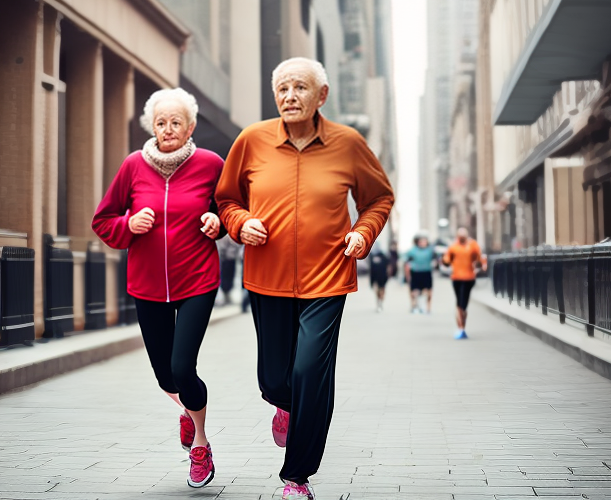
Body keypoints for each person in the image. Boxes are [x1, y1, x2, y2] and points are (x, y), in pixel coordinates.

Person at [215, 57, 394, 500]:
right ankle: (286, 406)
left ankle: (297, 478)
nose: (290, 97)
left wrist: (362, 232)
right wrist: (239, 223)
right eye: (282, 89)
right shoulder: (252, 141)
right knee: (275, 379)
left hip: (328, 278)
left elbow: (379, 198)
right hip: (266, 276)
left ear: (321, 96)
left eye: (299, 88)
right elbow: (226, 198)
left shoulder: (348, 144)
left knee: (312, 371)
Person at [91, 88, 223, 488]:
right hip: (147, 285)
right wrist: (127, 226)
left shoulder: (210, 164)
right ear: (152, 126)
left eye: (176, 122)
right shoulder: (133, 166)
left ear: (191, 126)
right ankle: (187, 410)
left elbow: (232, 209)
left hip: (198, 278)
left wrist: (219, 223)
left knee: (184, 367)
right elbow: (103, 220)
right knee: (166, 377)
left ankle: (200, 444)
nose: (168, 129)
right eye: (161, 122)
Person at [442, 227, 486, 339]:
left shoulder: (473, 245)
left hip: (469, 278)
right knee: (459, 304)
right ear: (457, 236)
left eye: (464, 236)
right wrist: (445, 261)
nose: (462, 238)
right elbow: (447, 260)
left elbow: (479, 259)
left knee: (464, 304)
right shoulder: (453, 247)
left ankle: (462, 327)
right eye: (460, 236)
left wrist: (480, 264)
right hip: (456, 278)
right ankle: (460, 328)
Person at [404, 235, 436, 314]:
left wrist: (435, 264)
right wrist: (407, 271)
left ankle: (427, 308)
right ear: (418, 243)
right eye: (421, 241)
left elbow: (436, 259)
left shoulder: (430, 251)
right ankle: (414, 306)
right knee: (414, 291)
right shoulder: (413, 251)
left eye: (425, 241)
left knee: (427, 291)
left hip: (426, 272)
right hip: (416, 272)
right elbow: (406, 260)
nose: (423, 243)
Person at [216, 236, 241, 306]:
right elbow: (222, 248)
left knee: (230, 277)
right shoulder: (223, 237)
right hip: (225, 259)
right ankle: (224, 296)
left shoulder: (231, 235)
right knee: (224, 278)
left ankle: (227, 295)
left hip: (231, 259)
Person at [369, 244, 390, 312]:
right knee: (376, 290)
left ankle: (381, 302)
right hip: (374, 276)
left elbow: (388, 266)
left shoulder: (383, 255)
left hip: (382, 276)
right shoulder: (371, 255)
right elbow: (371, 267)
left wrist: (388, 275)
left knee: (382, 290)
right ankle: (378, 302)